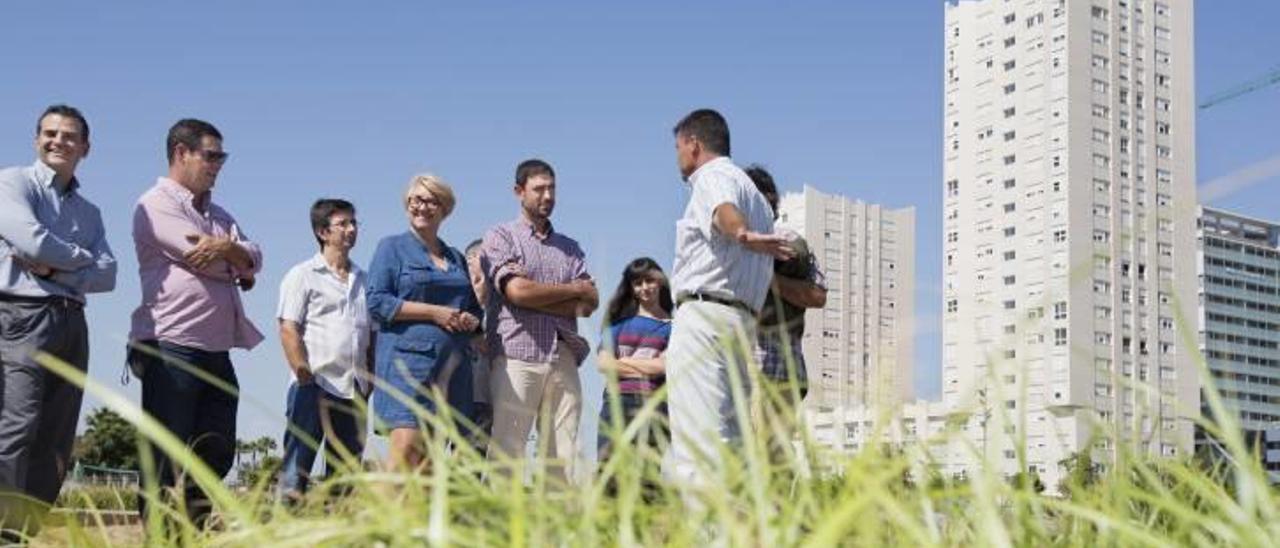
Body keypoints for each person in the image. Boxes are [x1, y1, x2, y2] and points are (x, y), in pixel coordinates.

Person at [129, 118, 263, 526]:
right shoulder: (155, 204)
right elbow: (197, 255)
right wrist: (237, 259)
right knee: (165, 453)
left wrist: (229, 250)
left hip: (217, 348)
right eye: (211, 155)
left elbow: (256, 258)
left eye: (222, 156)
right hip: (171, 344)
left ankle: (189, 524)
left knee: (218, 448)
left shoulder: (221, 216)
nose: (218, 163)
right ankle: (159, 534)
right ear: (180, 153)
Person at [0, 105, 116, 539]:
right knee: (17, 425)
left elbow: (110, 274)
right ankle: (4, 529)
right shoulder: (12, 183)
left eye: (69, 136)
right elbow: (32, 240)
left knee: (56, 437)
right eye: (49, 133)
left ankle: (23, 532)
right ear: (36, 140)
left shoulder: (90, 212)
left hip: (72, 323)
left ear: (85, 148)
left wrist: (60, 266)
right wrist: (80, 260)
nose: (58, 141)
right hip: (21, 317)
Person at [662, 109, 792, 489]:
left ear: (693, 144)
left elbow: (723, 212)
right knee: (731, 439)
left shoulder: (713, 177)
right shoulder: (759, 199)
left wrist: (742, 234)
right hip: (740, 322)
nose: (677, 157)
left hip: (705, 317)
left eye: (677, 147)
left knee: (697, 441)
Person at [482, 159, 597, 483]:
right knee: (509, 449)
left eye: (552, 188)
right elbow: (517, 291)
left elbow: (589, 303)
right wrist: (570, 291)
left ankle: (559, 530)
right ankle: (501, 528)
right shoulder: (500, 236)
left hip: (563, 354)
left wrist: (540, 295)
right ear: (519, 192)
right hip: (517, 354)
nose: (547, 196)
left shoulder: (570, 248)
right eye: (539, 189)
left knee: (565, 452)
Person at [367, 174, 480, 473]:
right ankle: (379, 519)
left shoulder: (455, 257)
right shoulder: (390, 248)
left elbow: (473, 309)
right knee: (405, 455)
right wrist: (434, 313)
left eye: (430, 200)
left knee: (430, 464)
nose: (421, 207)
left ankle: (418, 521)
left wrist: (469, 319)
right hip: (408, 367)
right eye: (415, 200)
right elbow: (377, 302)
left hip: (452, 371)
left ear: (444, 208)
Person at [276, 199, 373, 501]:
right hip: (314, 385)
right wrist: (303, 374)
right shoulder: (302, 275)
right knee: (296, 471)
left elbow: (373, 335)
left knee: (345, 476)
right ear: (322, 232)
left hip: (354, 389)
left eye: (354, 223)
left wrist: (369, 381)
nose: (351, 229)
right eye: (343, 224)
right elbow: (288, 327)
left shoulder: (365, 280)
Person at [743, 165, 827, 463]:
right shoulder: (730, 241)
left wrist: (768, 277)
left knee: (770, 457)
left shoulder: (790, 242)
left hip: (776, 361)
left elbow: (817, 295)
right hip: (736, 360)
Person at [595, 258, 673, 468]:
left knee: (648, 476)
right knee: (609, 470)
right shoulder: (618, 325)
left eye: (650, 281)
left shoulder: (676, 327)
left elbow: (665, 367)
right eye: (637, 283)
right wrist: (646, 366)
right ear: (631, 288)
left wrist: (624, 362)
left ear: (660, 281)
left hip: (656, 406)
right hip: (616, 404)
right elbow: (603, 365)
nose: (644, 287)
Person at [464, 239, 494, 454]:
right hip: (455, 396)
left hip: (486, 398)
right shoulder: (452, 303)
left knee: (473, 460)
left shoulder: (503, 310)